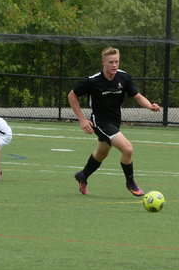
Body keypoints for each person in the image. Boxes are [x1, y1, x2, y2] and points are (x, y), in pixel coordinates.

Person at [68, 47, 162, 196]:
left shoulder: (124, 78)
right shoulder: (92, 81)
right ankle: (130, 183)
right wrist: (82, 119)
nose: (114, 65)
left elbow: (138, 96)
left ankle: (83, 175)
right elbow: (72, 96)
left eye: (117, 62)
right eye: (111, 62)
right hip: (100, 122)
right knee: (127, 149)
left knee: (101, 154)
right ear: (103, 62)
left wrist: (150, 106)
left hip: (115, 121)